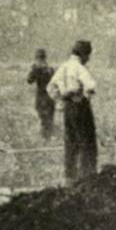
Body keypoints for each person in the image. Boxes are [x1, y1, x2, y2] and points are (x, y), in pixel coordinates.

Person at [46, 40, 97, 184]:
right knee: (87, 143)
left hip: (68, 108)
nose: (88, 59)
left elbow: (50, 87)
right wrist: (85, 96)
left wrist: (61, 99)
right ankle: (88, 178)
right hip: (80, 106)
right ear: (83, 54)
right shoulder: (80, 68)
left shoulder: (63, 67)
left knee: (70, 143)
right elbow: (90, 85)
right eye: (88, 55)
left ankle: (70, 178)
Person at [27, 48, 56, 140]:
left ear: (37, 58)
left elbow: (29, 80)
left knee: (43, 118)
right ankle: (48, 136)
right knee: (49, 119)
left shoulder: (36, 69)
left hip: (41, 97)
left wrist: (33, 69)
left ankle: (45, 137)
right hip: (50, 97)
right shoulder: (50, 69)